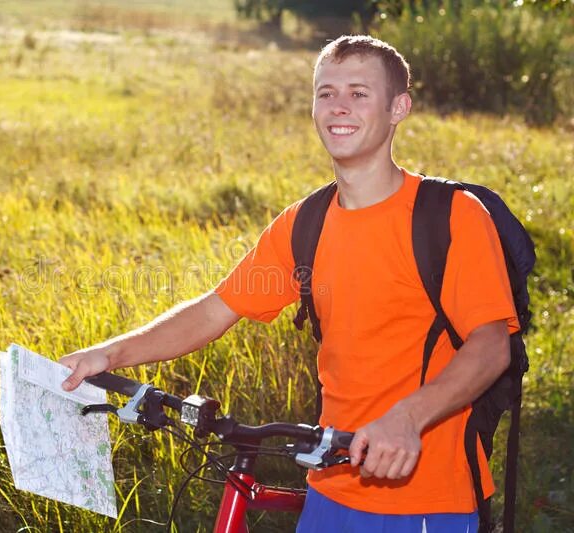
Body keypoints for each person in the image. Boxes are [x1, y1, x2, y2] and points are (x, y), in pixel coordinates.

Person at [60, 35, 519, 532]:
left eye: (359, 93)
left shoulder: (450, 217)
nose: (338, 107)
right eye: (326, 93)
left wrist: (408, 418)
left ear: (398, 108)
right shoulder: (306, 223)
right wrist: (108, 355)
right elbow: (216, 309)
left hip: (425, 497)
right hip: (328, 486)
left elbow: (491, 346)